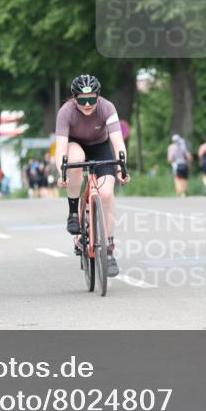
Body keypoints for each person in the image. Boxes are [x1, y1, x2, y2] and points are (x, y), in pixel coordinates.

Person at [55, 74, 130, 277]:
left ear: (98, 97)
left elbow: (117, 141)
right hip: (75, 145)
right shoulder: (66, 112)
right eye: (82, 100)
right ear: (74, 99)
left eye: (92, 99)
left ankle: (108, 249)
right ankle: (73, 213)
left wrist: (123, 168)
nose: (87, 104)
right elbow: (61, 147)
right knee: (76, 158)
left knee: (106, 194)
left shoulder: (107, 107)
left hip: (100, 147)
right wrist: (61, 172)